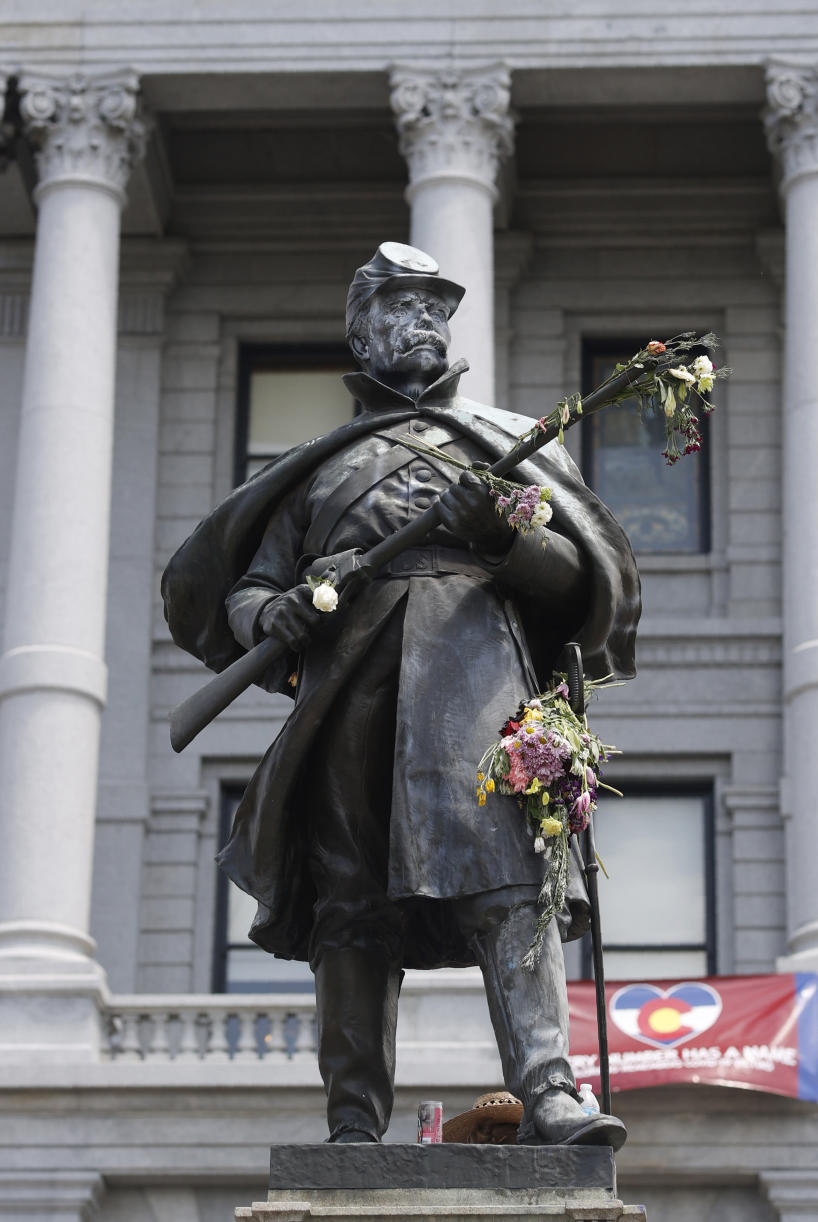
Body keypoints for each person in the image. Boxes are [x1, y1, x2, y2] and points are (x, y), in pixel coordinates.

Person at [162, 242, 641, 1148]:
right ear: (362, 330)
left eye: (436, 307)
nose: (425, 322)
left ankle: (549, 1091)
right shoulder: (316, 468)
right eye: (403, 306)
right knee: (351, 905)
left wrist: (500, 540)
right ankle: (352, 1122)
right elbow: (248, 594)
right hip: (351, 700)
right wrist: (279, 617)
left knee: (513, 885)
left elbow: (579, 576)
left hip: (478, 686)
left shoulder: (505, 441)